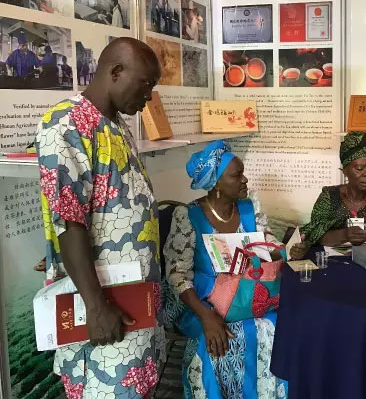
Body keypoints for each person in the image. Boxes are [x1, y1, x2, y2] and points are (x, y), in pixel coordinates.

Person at [35, 38, 164, 398]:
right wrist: (96, 307)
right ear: (116, 71)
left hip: (135, 298)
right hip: (105, 309)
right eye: (146, 84)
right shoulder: (66, 122)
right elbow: (68, 220)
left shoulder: (117, 124)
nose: (149, 97)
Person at [163, 140, 288, 398]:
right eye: (237, 175)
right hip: (203, 301)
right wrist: (206, 316)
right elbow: (177, 274)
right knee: (216, 339)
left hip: (248, 295)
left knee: (276, 327)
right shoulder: (188, 216)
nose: (245, 180)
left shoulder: (249, 208)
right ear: (217, 183)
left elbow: (267, 241)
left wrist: (286, 249)